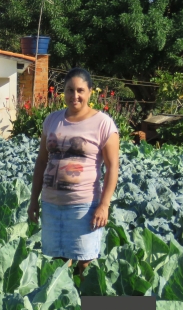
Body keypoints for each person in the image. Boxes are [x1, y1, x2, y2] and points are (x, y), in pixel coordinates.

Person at [28, 67, 120, 279]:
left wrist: (104, 205)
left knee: (85, 262)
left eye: (80, 90)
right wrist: (34, 200)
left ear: (89, 93)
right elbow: (42, 162)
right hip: (51, 204)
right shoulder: (52, 120)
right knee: (56, 265)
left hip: (83, 205)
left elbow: (112, 167)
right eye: (70, 90)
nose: (74, 96)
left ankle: (86, 307)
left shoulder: (103, 123)